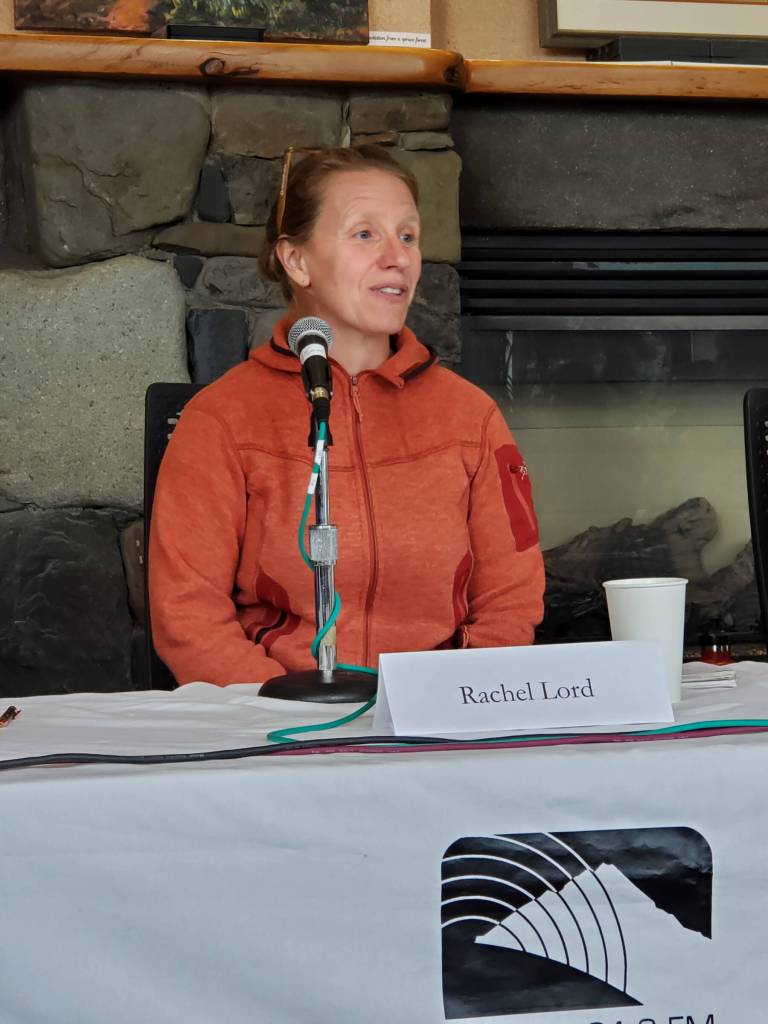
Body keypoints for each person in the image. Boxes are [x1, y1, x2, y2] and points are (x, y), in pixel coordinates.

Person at [148, 144, 545, 686]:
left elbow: (512, 596)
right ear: (297, 260)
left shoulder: (470, 417)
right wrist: (285, 710)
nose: (398, 256)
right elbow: (188, 616)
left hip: (435, 727)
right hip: (282, 728)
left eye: (408, 235)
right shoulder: (220, 420)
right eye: (365, 233)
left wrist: (456, 699)